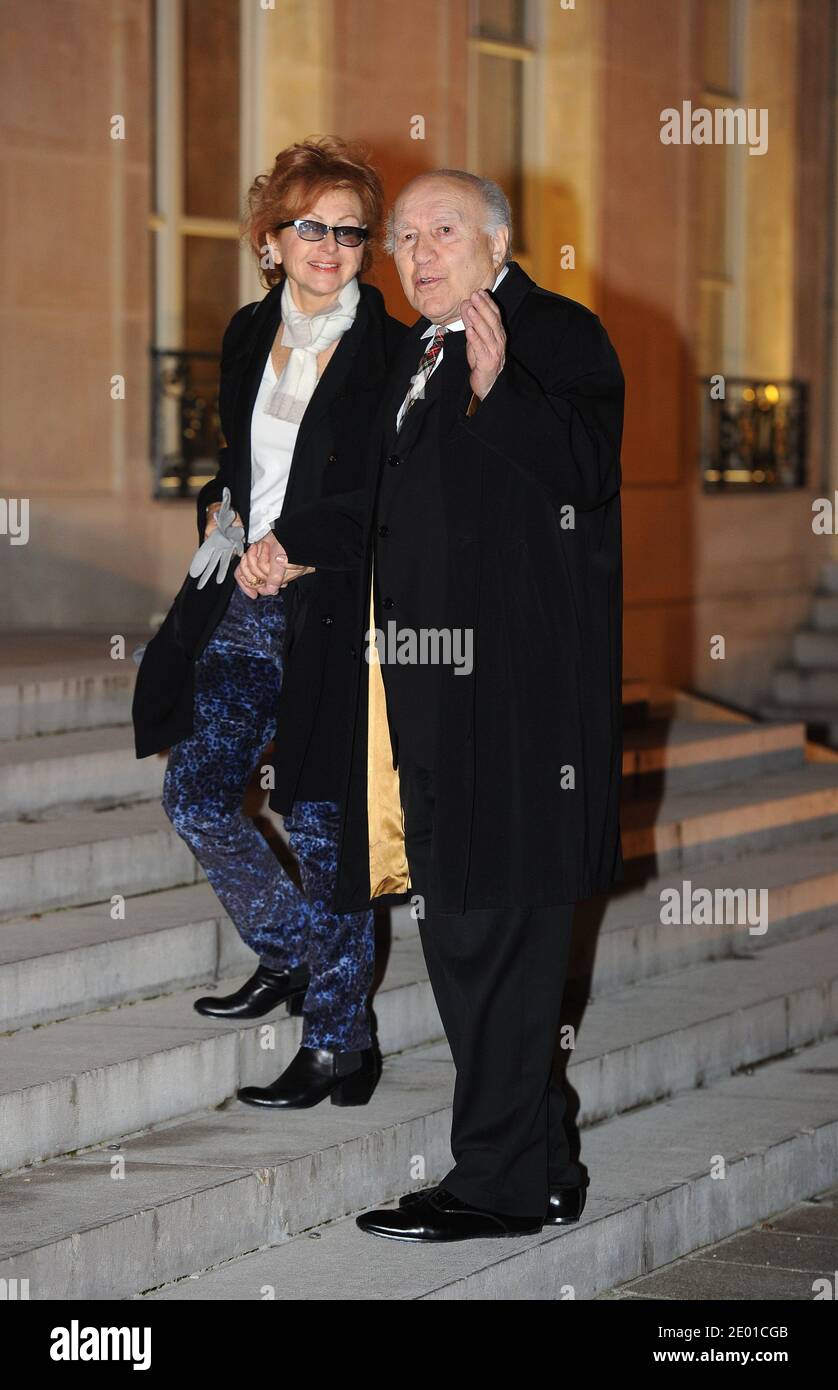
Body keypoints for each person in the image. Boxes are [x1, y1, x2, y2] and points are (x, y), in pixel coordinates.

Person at [252, 167, 625, 1240]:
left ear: (498, 239)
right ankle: (542, 1167)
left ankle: (496, 1183)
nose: (417, 253)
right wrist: (290, 545)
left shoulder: (557, 335)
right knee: (476, 937)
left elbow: (585, 474)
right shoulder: (417, 357)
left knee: (490, 945)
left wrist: (503, 390)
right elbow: (369, 501)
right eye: (404, 237)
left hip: (520, 714)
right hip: (431, 696)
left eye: (442, 230)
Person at [132, 138, 407, 1109]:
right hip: (244, 599)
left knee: (327, 826)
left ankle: (342, 1043)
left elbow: (381, 492)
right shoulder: (248, 334)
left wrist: (294, 541)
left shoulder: (389, 351)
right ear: (272, 239)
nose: (330, 246)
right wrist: (229, 517)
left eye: (348, 230)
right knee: (198, 792)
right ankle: (294, 953)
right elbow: (238, 464)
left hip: (332, 605)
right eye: (310, 227)